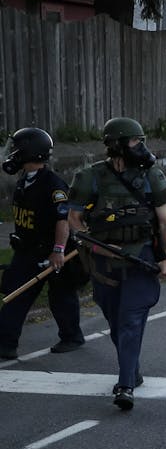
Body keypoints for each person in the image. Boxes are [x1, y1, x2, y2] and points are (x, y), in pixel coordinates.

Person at [69, 117, 166, 410]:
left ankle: (125, 385)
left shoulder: (152, 176)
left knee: (130, 320)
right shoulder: (89, 177)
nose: (140, 147)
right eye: (134, 141)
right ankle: (132, 369)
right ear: (116, 145)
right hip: (103, 261)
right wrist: (97, 246)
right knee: (116, 321)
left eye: (141, 141)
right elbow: (75, 220)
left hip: (141, 258)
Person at [0, 128, 85, 359]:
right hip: (26, 250)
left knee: (61, 297)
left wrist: (57, 251)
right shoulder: (24, 182)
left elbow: (63, 220)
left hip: (52, 252)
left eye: (16, 149)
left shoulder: (53, 186)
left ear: (28, 152)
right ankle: (6, 345)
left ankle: (71, 336)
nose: (12, 154)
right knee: (15, 295)